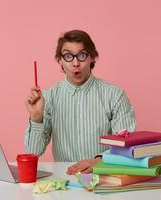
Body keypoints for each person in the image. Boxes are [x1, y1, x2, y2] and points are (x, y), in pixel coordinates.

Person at [24, 30, 136, 175]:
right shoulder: (48, 97)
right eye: (68, 56)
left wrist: (99, 160)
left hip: (103, 177)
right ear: (60, 61)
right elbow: (33, 152)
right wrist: (36, 117)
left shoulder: (115, 95)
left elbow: (126, 147)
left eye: (82, 55)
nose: (76, 63)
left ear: (92, 58)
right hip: (65, 180)